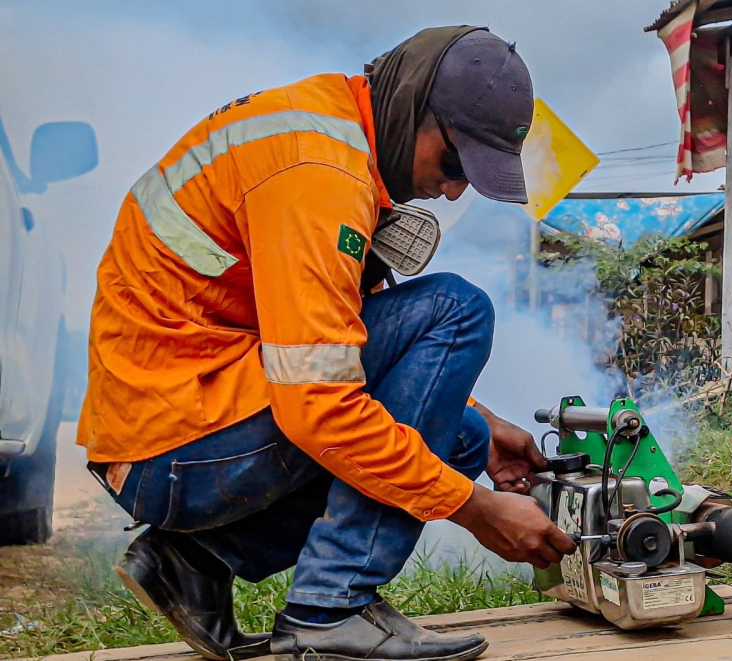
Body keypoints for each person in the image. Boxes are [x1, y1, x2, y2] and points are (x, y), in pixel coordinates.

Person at [78, 26, 576, 661]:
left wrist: (480, 413)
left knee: (462, 437)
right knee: (456, 309)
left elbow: (331, 343)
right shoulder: (318, 175)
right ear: (415, 110)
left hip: (185, 425)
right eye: (456, 165)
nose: (454, 190)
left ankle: (193, 560)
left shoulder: (334, 130)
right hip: (175, 450)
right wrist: (476, 508)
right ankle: (330, 608)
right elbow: (318, 404)